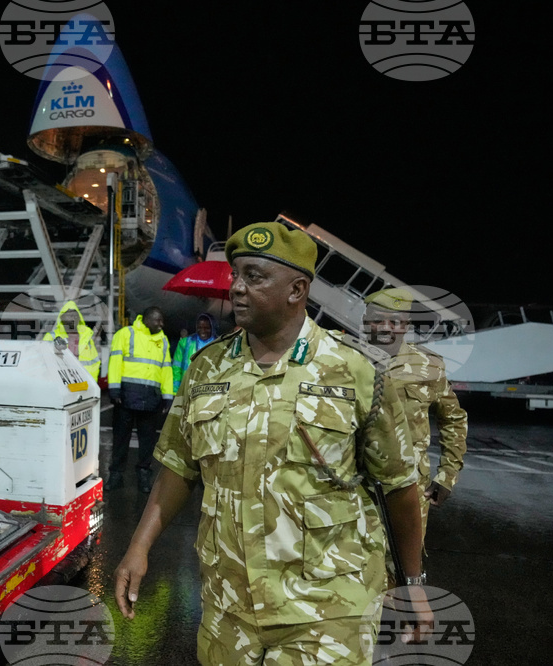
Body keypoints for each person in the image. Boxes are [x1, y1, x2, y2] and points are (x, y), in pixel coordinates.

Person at [113, 222, 431, 665]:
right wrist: (138, 547)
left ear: (296, 289)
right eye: (236, 274)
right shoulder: (208, 368)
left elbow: (399, 487)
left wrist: (413, 585)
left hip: (327, 606)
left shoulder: (354, 371)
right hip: (228, 604)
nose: (237, 287)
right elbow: (178, 466)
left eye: (255, 276)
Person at [362, 287, 468, 540]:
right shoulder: (342, 361)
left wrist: (447, 475)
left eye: (395, 322)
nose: (385, 328)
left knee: (404, 557)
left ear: (406, 325)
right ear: (365, 322)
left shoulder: (429, 366)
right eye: (377, 320)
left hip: (408, 485)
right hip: (353, 485)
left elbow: (453, 420)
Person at [107, 306, 174, 493]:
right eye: (157, 320)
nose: (161, 324)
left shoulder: (162, 340)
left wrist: (168, 397)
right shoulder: (125, 334)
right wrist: (114, 389)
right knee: (121, 439)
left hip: (150, 400)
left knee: (147, 442)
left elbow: (166, 370)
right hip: (126, 397)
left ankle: (144, 475)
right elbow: (115, 362)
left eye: (162, 320)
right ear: (146, 319)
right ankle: (116, 475)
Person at [44, 300, 101, 381]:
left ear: (79, 318)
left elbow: (94, 363)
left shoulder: (86, 338)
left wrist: (92, 382)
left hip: (84, 383)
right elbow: (43, 362)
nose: (72, 318)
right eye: (69, 315)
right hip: (60, 383)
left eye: (75, 315)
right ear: (61, 318)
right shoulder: (51, 337)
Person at [172, 313, 217, 393]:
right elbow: (176, 368)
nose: (203, 331)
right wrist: (175, 392)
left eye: (206, 328)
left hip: (209, 391)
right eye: (200, 328)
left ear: (213, 328)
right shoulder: (185, 343)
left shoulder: (220, 345)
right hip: (187, 389)